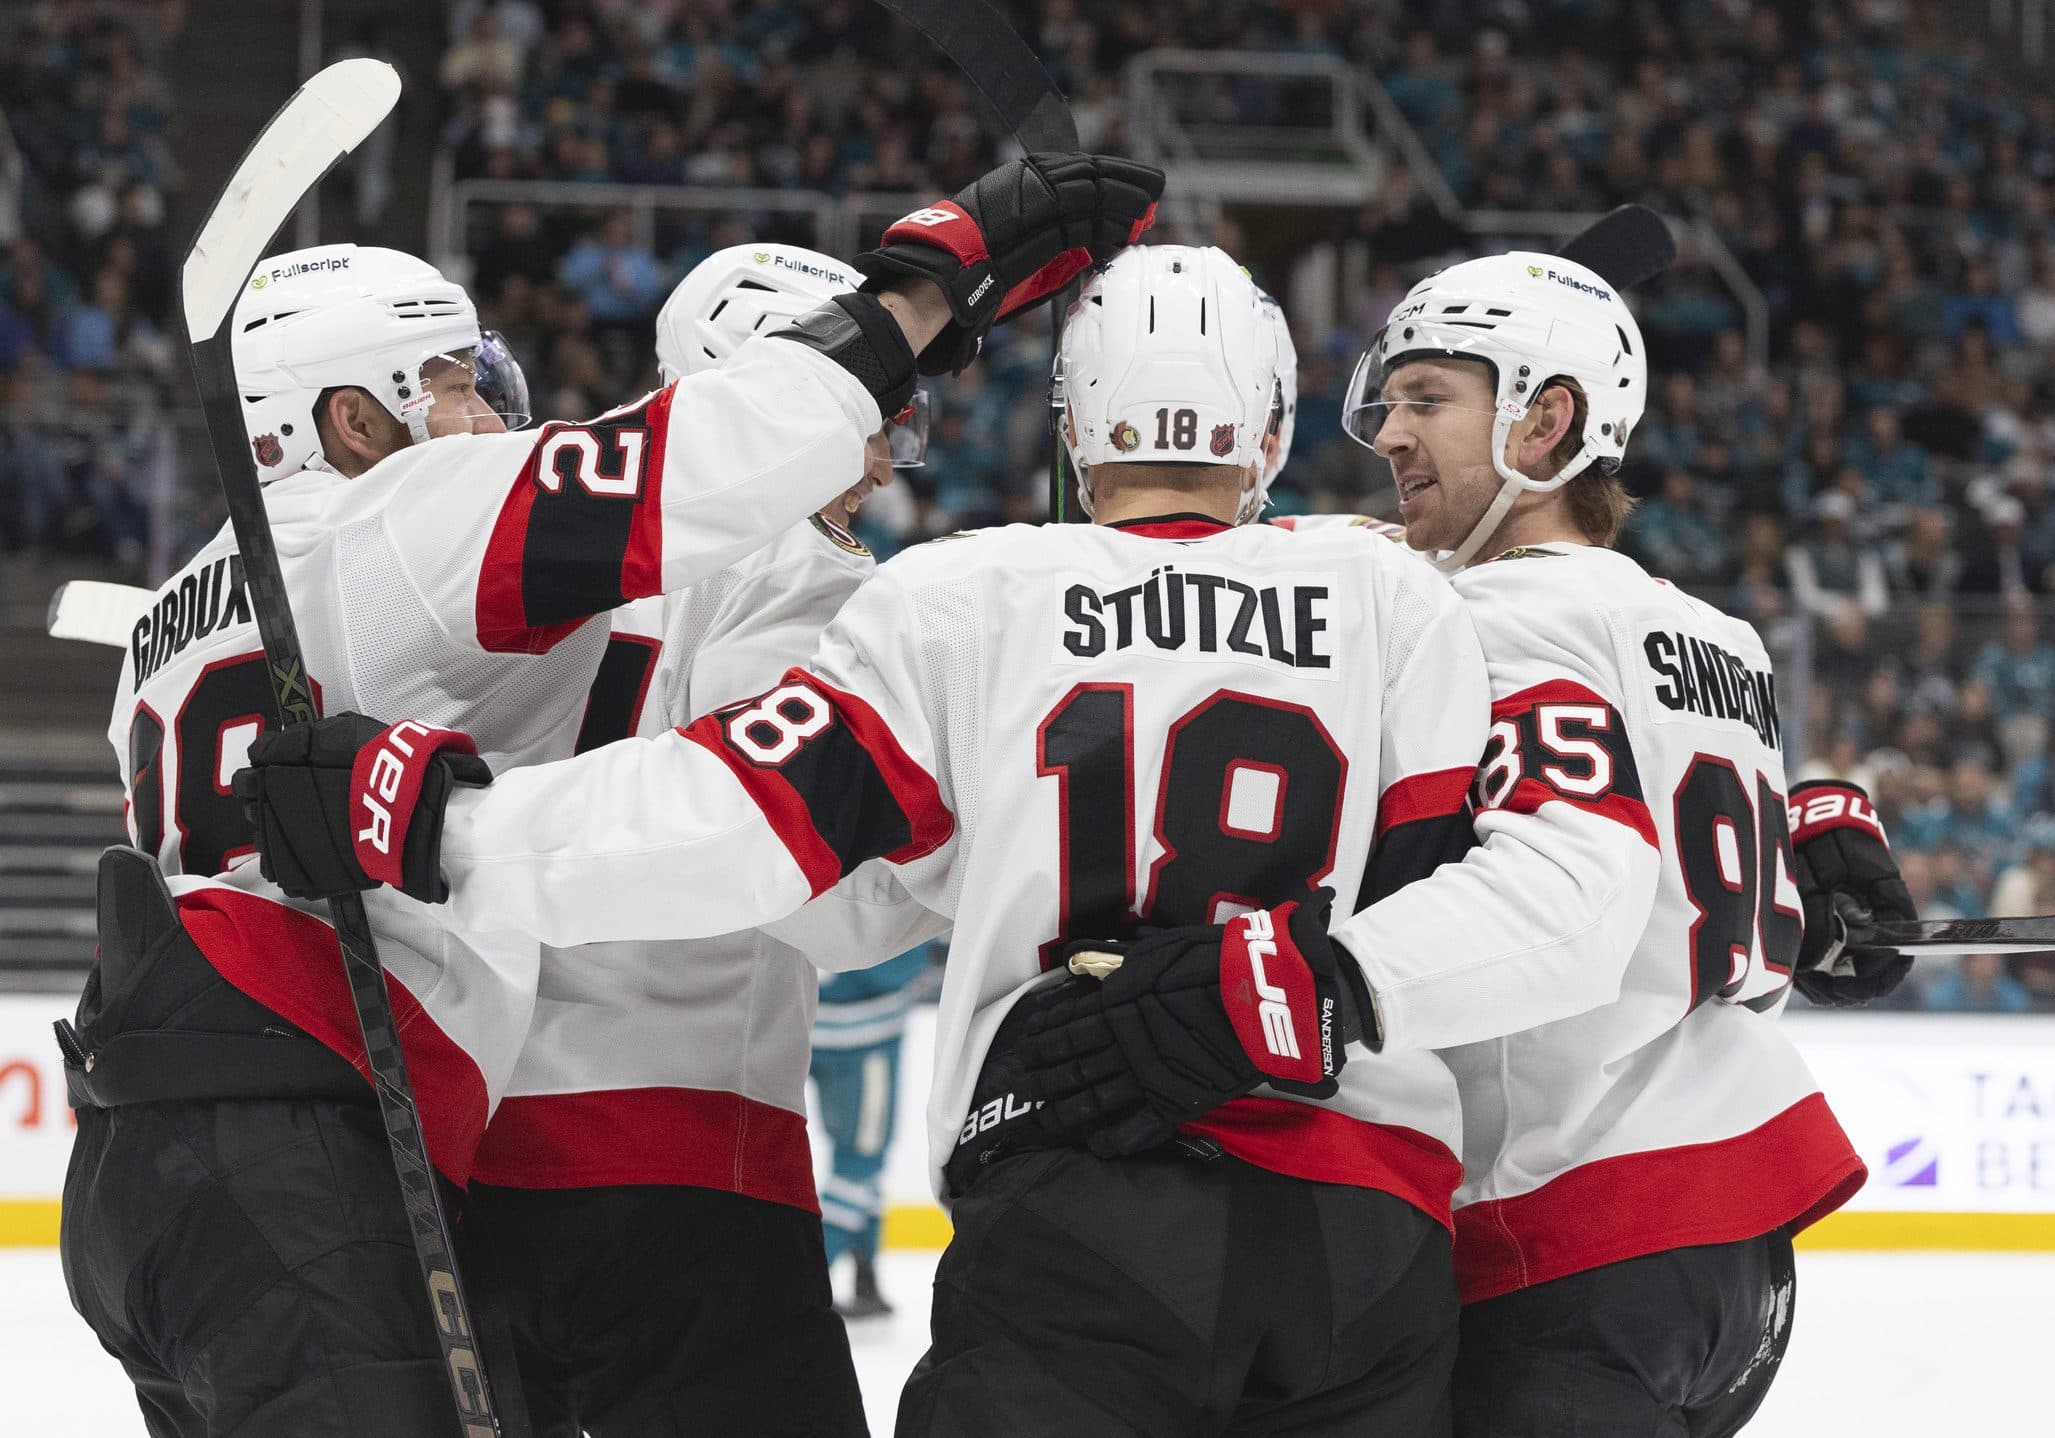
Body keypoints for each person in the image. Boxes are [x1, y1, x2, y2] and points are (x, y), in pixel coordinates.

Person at [243, 243, 1517, 1435]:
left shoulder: (953, 593)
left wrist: (443, 827)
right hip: (1367, 1214)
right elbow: (1501, 884)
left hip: (1064, 1192)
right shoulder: (1401, 593)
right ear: (1277, 423)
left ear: (1072, 426)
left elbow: (739, 823)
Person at [60, 149, 1159, 1438]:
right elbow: (824, 872)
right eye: (453, 381)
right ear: (349, 420)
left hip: (249, 1140)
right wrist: (930, 277)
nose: (490, 419)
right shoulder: (418, 530)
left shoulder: (176, 616)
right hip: (424, 1131)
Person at [1209, 249, 1913, 1434]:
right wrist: (1828, 817)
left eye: (1428, 398)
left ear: (1546, 422)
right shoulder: (1715, 634)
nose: (1388, 433)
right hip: (1735, 1249)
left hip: (1570, 1236)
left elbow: (1557, 876)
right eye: (1390, 401)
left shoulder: (1481, 620)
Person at [457, 242, 928, 1437]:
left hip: (462, 1165)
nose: (880, 463)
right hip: (682, 1164)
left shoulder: (514, 545)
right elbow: (828, 900)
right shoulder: (802, 582)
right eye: (865, 413)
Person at [810, 940, 935, 1319]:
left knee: (866, 1161)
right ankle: (809, 1283)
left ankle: (866, 1273)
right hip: (863, 1044)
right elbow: (896, 956)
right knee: (860, 1164)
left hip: (812, 1028)